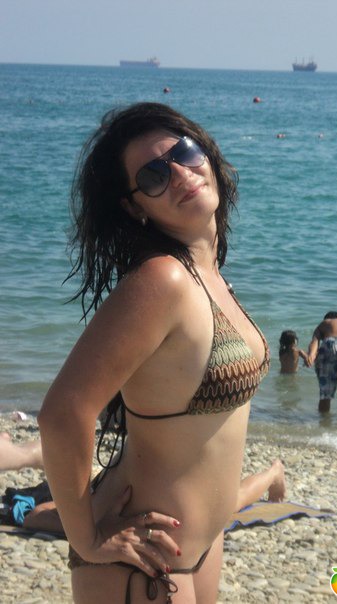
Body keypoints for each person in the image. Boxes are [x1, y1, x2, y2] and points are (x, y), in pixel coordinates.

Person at [37, 102, 270, 604]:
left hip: (200, 544)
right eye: (153, 175)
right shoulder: (163, 280)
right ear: (134, 207)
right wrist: (86, 539)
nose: (181, 174)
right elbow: (62, 413)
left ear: (206, 152)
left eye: (184, 152)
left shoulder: (208, 273)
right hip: (144, 558)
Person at [0, 433, 286, 535]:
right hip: (127, 477)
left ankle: (275, 471)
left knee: (229, 502)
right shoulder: (105, 506)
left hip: (122, 479)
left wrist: (90, 537)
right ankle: (274, 472)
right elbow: (37, 516)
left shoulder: (102, 509)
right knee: (229, 502)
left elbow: (36, 516)